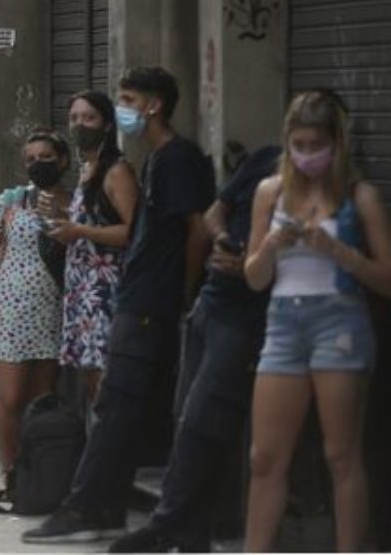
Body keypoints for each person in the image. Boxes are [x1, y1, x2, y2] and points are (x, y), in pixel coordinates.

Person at [23, 67, 215, 544]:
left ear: (153, 105)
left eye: (127, 98)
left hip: (148, 301)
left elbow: (196, 230)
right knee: (120, 406)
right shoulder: (155, 159)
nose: (121, 106)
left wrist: (186, 293)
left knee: (115, 403)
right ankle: (103, 506)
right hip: (138, 296)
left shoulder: (173, 160)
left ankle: (89, 506)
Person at [108, 144, 281, 552]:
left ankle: (169, 522)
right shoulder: (264, 161)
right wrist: (221, 241)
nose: (305, 151)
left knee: (205, 418)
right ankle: (190, 529)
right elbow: (212, 215)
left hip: (247, 318)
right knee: (187, 418)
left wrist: (252, 263)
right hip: (212, 303)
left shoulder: (312, 189)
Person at [241, 90, 391, 553]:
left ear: (336, 144)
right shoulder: (271, 191)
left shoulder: (358, 196)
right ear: (287, 142)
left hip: (339, 322)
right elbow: (253, 278)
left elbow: (386, 278)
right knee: (265, 457)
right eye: (298, 145)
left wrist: (341, 253)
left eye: (316, 145)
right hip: (284, 323)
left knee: (341, 454)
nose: (307, 155)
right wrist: (270, 247)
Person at [0, 130, 71, 510]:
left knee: (42, 400)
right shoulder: (12, 200)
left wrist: (61, 219)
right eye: (30, 158)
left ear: (62, 160)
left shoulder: (75, 203)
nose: (38, 164)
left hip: (54, 310)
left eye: (46, 156)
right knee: (11, 398)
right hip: (11, 308)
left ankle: (40, 475)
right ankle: (10, 474)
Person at [50, 91, 137, 405]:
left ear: (106, 125)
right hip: (80, 288)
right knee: (87, 380)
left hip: (105, 289)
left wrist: (79, 230)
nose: (79, 125)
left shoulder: (117, 171)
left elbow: (131, 231)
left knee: (104, 379)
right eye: (74, 118)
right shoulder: (87, 170)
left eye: (89, 118)